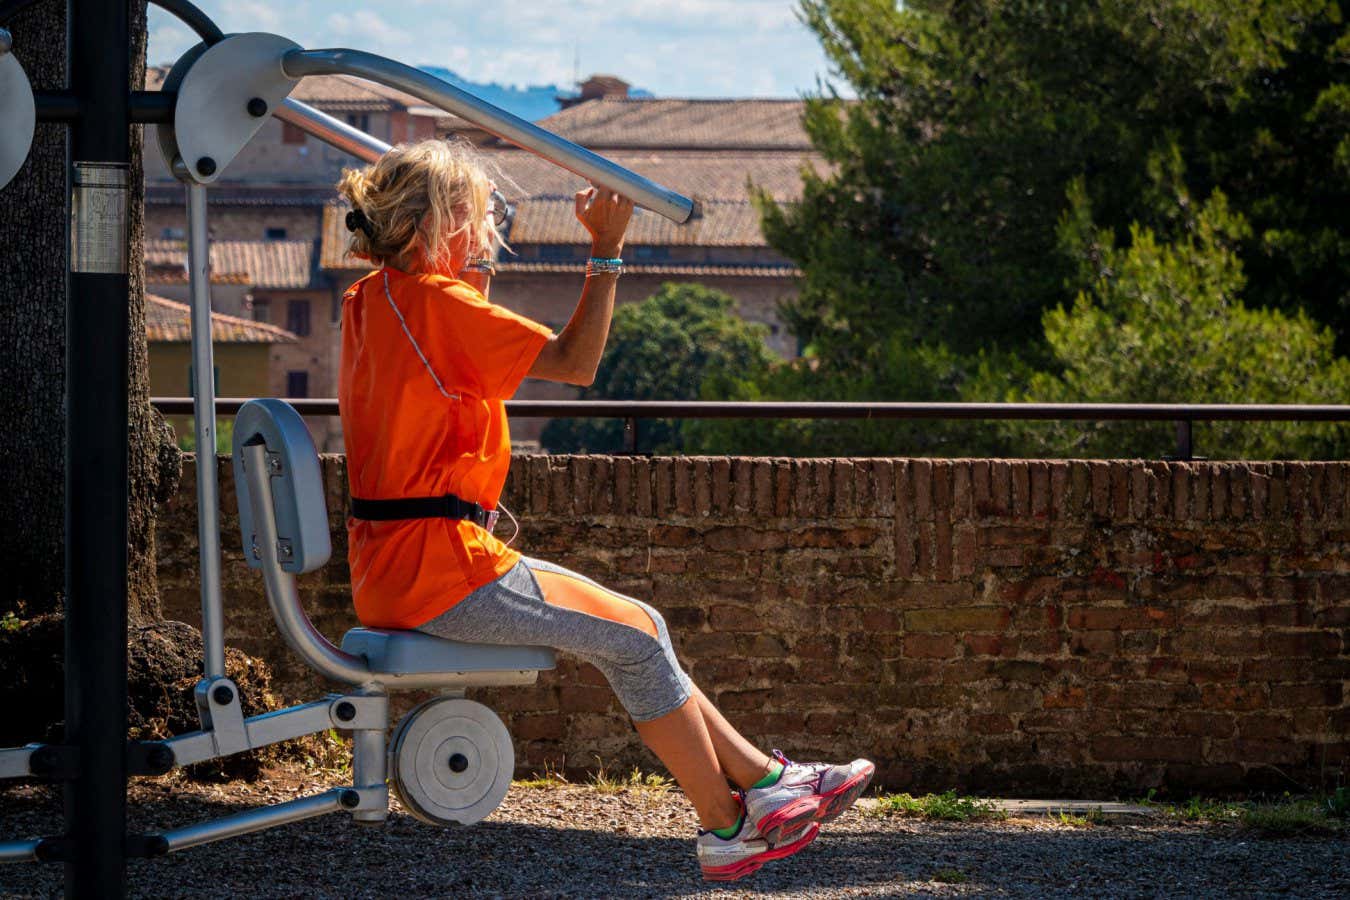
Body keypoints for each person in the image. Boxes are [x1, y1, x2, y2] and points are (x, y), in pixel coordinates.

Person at [335, 139, 873, 882]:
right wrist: (607, 253)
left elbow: (458, 345)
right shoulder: (440, 305)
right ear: (448, 220)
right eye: (483, 217)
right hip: (441, 568)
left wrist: (468, 253)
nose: (491, 229)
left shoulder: (373, 301)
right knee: (638, 644)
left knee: (642, 625)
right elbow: (576, 364)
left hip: (400, 564)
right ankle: (727, 828)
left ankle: (764, 782)